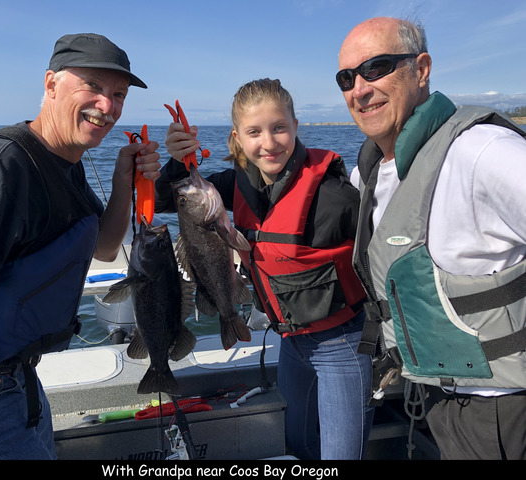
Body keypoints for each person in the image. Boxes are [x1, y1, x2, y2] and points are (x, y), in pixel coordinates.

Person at [0, 33, 161, 460]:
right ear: (51, 84)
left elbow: (105, 248)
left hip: (15, 383)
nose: (108, 105)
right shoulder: (0, 167)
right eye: (93, 86)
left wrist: (124, 180)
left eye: (119, 94)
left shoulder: (65, 161)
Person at [155, 78, 375, 460]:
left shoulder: (334, 193)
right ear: (237, 139)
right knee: (295, 443)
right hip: (290, 342)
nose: (269, 143)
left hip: (342, 344)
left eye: (279, 128)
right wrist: (177, 161)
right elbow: (167, 200)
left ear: (295, 126)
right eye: (254, 132)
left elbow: (377, 254)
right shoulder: (234, 185)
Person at [337, 17, 526, 460]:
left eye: (376, 68)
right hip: (433, 394)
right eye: (346, 78)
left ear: (421, 69)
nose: (359, 89)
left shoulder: (481, 152)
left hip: (499, 408)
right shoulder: (367, 174)